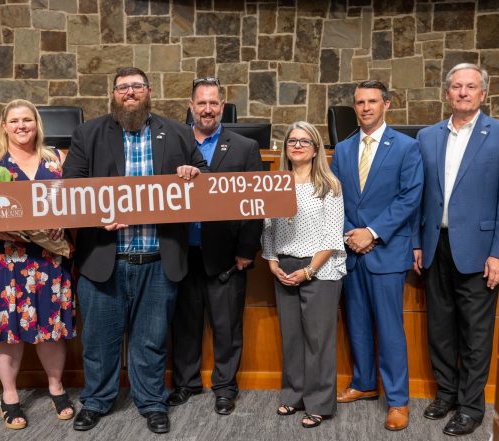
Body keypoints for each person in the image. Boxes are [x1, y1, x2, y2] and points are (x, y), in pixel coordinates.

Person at [63, 67, 207, 434]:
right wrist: (98, 218)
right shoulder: (88, 133)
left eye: (136, 87)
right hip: (104, 259)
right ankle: (96, 401)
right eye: (123, 87)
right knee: (98, 340)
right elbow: (69, 190)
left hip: (159, 260)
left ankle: (152, 402)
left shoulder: (176, 132)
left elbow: (206, 182)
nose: (130, 93)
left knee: (151, 339)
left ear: (149, 91)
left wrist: (194, 173)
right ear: (113, 94)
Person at [413, 63, 499, 436]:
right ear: (447, 94)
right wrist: (416, 242)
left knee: (476, 334)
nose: (463, 92)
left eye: (471, 87)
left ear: (483, 93)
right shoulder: (427, 137)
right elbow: (420, 197)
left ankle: (471, 406)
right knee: (440, 328)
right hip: (435, 245)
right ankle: (446, 394)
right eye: (457, 87)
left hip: (480, 250)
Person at [0, 99, 75, 430]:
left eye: (27, 120)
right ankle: (9, 395)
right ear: (4, 126)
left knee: (50, 328)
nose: (21, 126)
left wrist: (64, 222)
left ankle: (56, 388)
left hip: (46, 259)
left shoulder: (57, 159)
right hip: (1, 261)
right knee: (6, 330)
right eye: (14, 121)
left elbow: (76, 201)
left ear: (37, 124)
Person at [330, 80, 423, 431]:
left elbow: (409, 198)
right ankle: (364, 382)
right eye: (359, 102)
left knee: (389, 328)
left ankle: (398, 400)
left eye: (372, 101)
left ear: (386, 104)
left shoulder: (406, 147)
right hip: (351, 251)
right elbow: (335, 198)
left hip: (386, 251)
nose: (365, 107)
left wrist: (371, 232)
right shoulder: (342, 148)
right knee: (356, 323)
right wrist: (352, 232)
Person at [168, 77, 262, 416]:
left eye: (214, 103)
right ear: (191, 106)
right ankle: (186, 383)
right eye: (201, 103)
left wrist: (247, 251)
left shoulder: (244, 147)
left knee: (227, 326)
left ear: (223, 106)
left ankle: (225, 387)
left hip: (225, 255)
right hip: (180, 252)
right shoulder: (172, 143)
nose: (208, 109)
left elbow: (256, 206)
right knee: (185, 325)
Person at [262, 121, 346, 429]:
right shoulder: (275, 183)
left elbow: (332, 236)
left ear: (315, 149)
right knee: (292, 337)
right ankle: (293, 395)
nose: (297, 146)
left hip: (320, 268)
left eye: (304, 141)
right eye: (292, 141)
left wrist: (309, 270)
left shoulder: (329, 186)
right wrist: (272, 261)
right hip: (284, 265)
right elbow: (268, 227)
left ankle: (319, 403)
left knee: (318, 339)